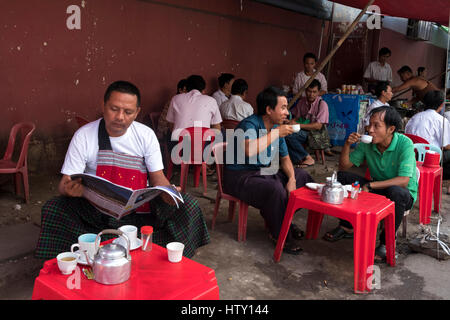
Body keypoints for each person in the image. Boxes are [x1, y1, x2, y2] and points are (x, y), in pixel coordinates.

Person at [35, 81, 210, 260]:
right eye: (114, 109)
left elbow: (158, 178)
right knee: (54, 208)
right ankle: (71, 263)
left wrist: (168, 193)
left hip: (140, 210)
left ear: (137, 113)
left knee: (189, 206)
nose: (120, 117)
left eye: (128, 112)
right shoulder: (84, 136)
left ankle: (168, 258)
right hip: (97, 211)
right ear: (103, 106)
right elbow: (65, 183)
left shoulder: (145, 135)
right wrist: (70, 189)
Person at [223, 86, 314, 254]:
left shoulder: (276, 127)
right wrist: (276, 133)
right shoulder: (249, 125)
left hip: (263, 173)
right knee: (275, 189)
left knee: (304, 179)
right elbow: (249, 150)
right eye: (283, 107)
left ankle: (281, 219)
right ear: (269, 109)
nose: (287, 113)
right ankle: (279, 233)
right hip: (239, 176)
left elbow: (285, 159)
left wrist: (292, 180)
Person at [323, 106, 418, 262]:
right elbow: (344, 167)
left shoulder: (404, 144)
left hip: (402, 194)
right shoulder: (368, 143)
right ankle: (347, 226)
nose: (370, 130)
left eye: (376, 126)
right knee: (342, 177)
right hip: (377, 187)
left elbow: (403, 181)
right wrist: (347, 145)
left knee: (396, 192)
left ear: (391, 129)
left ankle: (386, 243)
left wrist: (370, 186)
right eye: (370, 125)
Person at [405, 90, 450, 180]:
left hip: (412, 154)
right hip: (429, 158)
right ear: (441, 105)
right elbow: (446, 146)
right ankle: (438, 179)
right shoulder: (441, 120)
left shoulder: (414, 117)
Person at [285, 79, 330, 167]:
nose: (311, 94)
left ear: (318, 92)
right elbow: (296, 117)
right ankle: (299, 159)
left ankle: (307, 157)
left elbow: (318, 126)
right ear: (305, 91)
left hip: (316, 135)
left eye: (314, 92)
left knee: (288, 136)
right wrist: (291, 121)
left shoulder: (322, 104)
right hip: (303, 131)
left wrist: (298, 125)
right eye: (309, 91)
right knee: (284, 134)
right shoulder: (302, 102)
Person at [166, 74, 222, 143]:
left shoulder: (175, 99)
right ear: (203, 89)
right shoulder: (211, 100)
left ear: (186, 88)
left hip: (179, 145)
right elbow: (217, 129)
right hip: (202, 146)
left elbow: (171, 125)